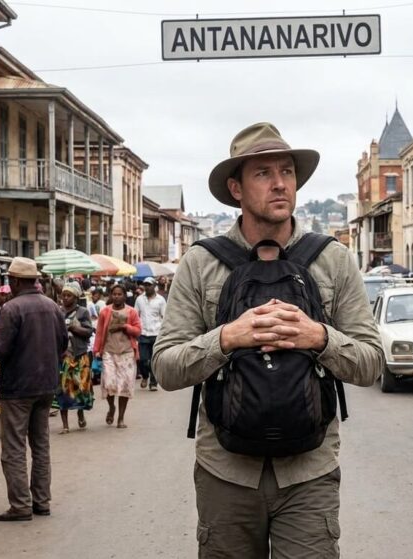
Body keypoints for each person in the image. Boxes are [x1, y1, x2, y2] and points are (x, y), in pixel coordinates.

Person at [153, 122, 384, 557]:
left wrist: (318, 337)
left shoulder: (332, 259)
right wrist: (227, 338)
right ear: (235, 188)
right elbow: (165, 366)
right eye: (263, 173)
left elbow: (371, 362)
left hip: (309, 472)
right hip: (225, 472)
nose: (280, 183)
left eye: (287, 171)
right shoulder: (201, 263)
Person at [0, 257, 67, 522]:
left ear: (14, 280)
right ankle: (41, 501)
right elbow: (62, 345)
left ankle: (21, 505)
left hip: (18, 387)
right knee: (41, 445)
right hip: (45, 384)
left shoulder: (11, 309)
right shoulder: (53, 307)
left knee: (13, 448)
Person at [93, 285, 141, 428]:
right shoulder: (105, 312)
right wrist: (97, 350)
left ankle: (120, 418)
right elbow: (100, 332)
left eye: (120, 294)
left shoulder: (131, 312)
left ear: (124, 296)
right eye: (114, 294)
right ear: (110, 295)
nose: (117, 296)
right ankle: (111, 407)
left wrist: (126, 327)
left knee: (125, 387)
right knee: (109, 383)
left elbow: (138, 331)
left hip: (126, 352)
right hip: (109, 351)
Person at [57, 283, 94, 434]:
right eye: (64, 295)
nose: (65, 298)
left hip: (80, 355)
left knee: (81, 389)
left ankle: (80, 413)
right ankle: (65, 424)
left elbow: (88, 331)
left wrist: (73, 327)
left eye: (69, 295)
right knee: (63, 390)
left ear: (76, 297)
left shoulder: (83, 312)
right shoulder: (58, 312)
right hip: (63, 356)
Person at [134, 277, 166, 391]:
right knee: (143, 359)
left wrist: (164, 331)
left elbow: (164, 316)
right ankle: (145, 376)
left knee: (154, 359)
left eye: (149, 285)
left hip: (156, 333)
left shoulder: (161, 300)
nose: (147, 287)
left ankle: (153, 382)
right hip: (143, 333)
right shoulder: (139, 299)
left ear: (154, 286)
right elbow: (135, 315)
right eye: (145, 285)